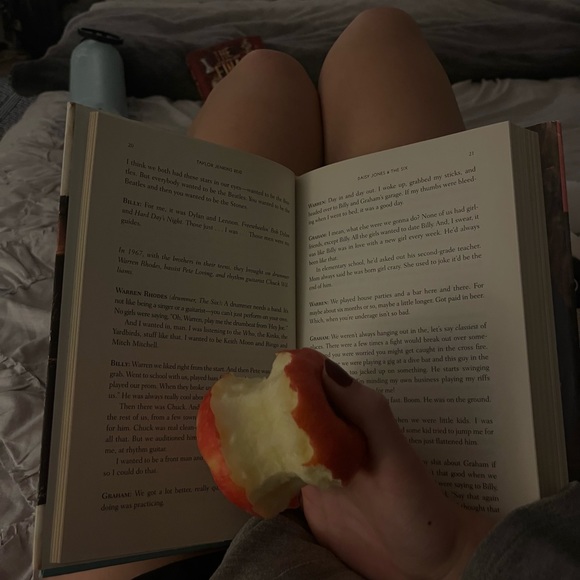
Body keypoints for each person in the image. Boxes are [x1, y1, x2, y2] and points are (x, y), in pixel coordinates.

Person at [184, 7, 580, 579]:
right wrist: (451, 554)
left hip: (178, 563)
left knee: (264, 74)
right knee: (376, 34)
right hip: (443, 537)